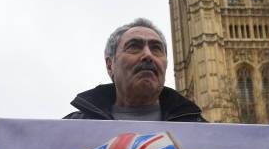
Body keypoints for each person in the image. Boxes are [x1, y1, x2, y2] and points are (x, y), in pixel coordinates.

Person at [65, 18, 206, 122]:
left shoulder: (201, 128)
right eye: (134, 47)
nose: (148, 55)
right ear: (110, 65)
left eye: (156, 48)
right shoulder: (71, 127)